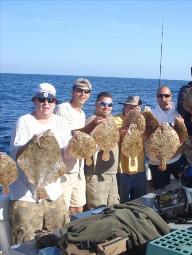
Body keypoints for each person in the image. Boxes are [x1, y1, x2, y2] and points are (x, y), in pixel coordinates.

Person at [9, 83, 72, 244]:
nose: (46, 103)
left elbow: (65, 156)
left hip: (54, 193)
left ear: (55, 103)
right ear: (34, 101)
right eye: (41, 99)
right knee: (26, 244)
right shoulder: (24, 121)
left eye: (50, 100)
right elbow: (17, 155)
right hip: (25, 195)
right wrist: (33, 141)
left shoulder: (61, 123)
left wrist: (75, 147)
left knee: (58, 239)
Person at [54, 78, 92, 215]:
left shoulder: (82, 114)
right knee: (62, 211)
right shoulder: (61, 109)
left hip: (78, 169)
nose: (83, 94)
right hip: (63, 169)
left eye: (86, 91)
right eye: (79, 90)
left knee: (78, 208)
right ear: (72, 91)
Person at [84, 92, 120, 209]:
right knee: (98, 212)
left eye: (110, 105)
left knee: (113, 209)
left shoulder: (111, 120)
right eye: (103, 103)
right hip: (96, 175)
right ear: (96, 105)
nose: (106, 107)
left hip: (112, 175)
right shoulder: (92, 121)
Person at [147, 86, 188, 189]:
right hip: (157, 160)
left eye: (166, 96)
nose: (163, 98)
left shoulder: (179, 113)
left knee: (186, 183)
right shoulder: (151, 114)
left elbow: (183, 136)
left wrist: (182, 125)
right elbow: (145, 135)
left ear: (171, 97)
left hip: (176, 157)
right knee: (161, 190)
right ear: (156, 97)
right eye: (160, 96)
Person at [116, 96, 146, 203]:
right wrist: (121, 132)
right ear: (124, 107)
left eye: (135, 108)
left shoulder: (143, 120)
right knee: (122, 203)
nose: (131, 110)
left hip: (140, 169)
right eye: (128, 107)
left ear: (139, 108)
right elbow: (113, 135)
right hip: (122, 170)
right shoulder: (117, 119)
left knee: (139, 203)